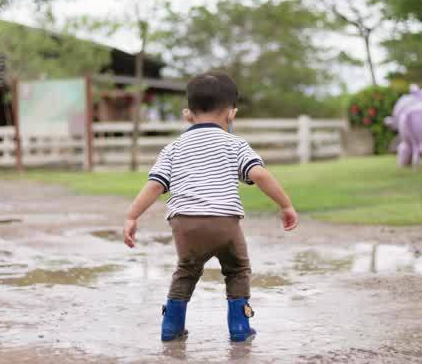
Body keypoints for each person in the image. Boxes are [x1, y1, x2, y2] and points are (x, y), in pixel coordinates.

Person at [122, 71, 298, 342]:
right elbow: (259, 174)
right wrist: (286, 205)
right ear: (231, 114)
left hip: (184, 223)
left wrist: (132, 216)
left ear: (187, 114)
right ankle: (239, 327)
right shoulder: (235, 144)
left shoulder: (173, 148)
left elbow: (155, 185)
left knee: (186, 270)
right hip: (224, 223)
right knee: (237, 269)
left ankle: (171, 327)